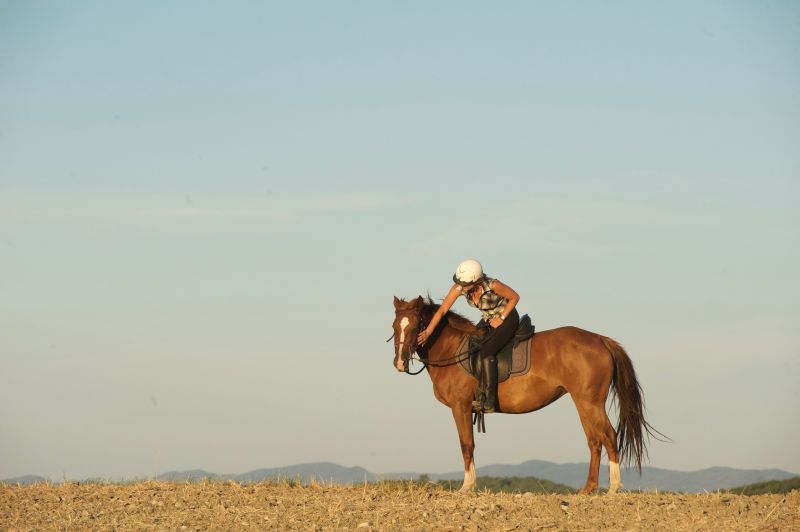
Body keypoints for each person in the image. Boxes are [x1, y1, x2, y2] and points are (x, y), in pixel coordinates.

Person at [417, 259, 520, 413]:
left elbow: (515, 297)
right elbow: (442, 310)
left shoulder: (493, 285)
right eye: (460, 283)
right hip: (489, 319)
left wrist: (502, 318)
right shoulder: (460, 287)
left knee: (486, 352)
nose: (461, 287)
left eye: (465, 285)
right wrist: (428, 331)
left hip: (507, 318)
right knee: (470, 345)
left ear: (476, 280)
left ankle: (489, 400)